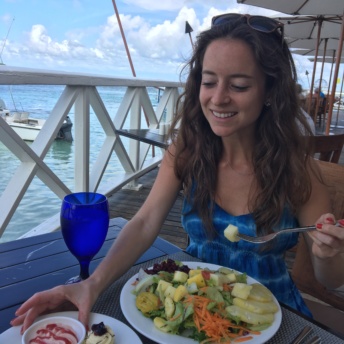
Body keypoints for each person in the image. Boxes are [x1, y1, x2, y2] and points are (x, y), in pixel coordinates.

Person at [12, 13, 344, 332]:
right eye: (209, 81)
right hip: (190, 310)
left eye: (239, 86)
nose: (218, 98)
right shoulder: (188, 150)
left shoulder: (298, 170)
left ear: (271, 92)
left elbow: (330, 278)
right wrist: (92, 284)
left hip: (270, 317)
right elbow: (143, 223)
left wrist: (328, 252)